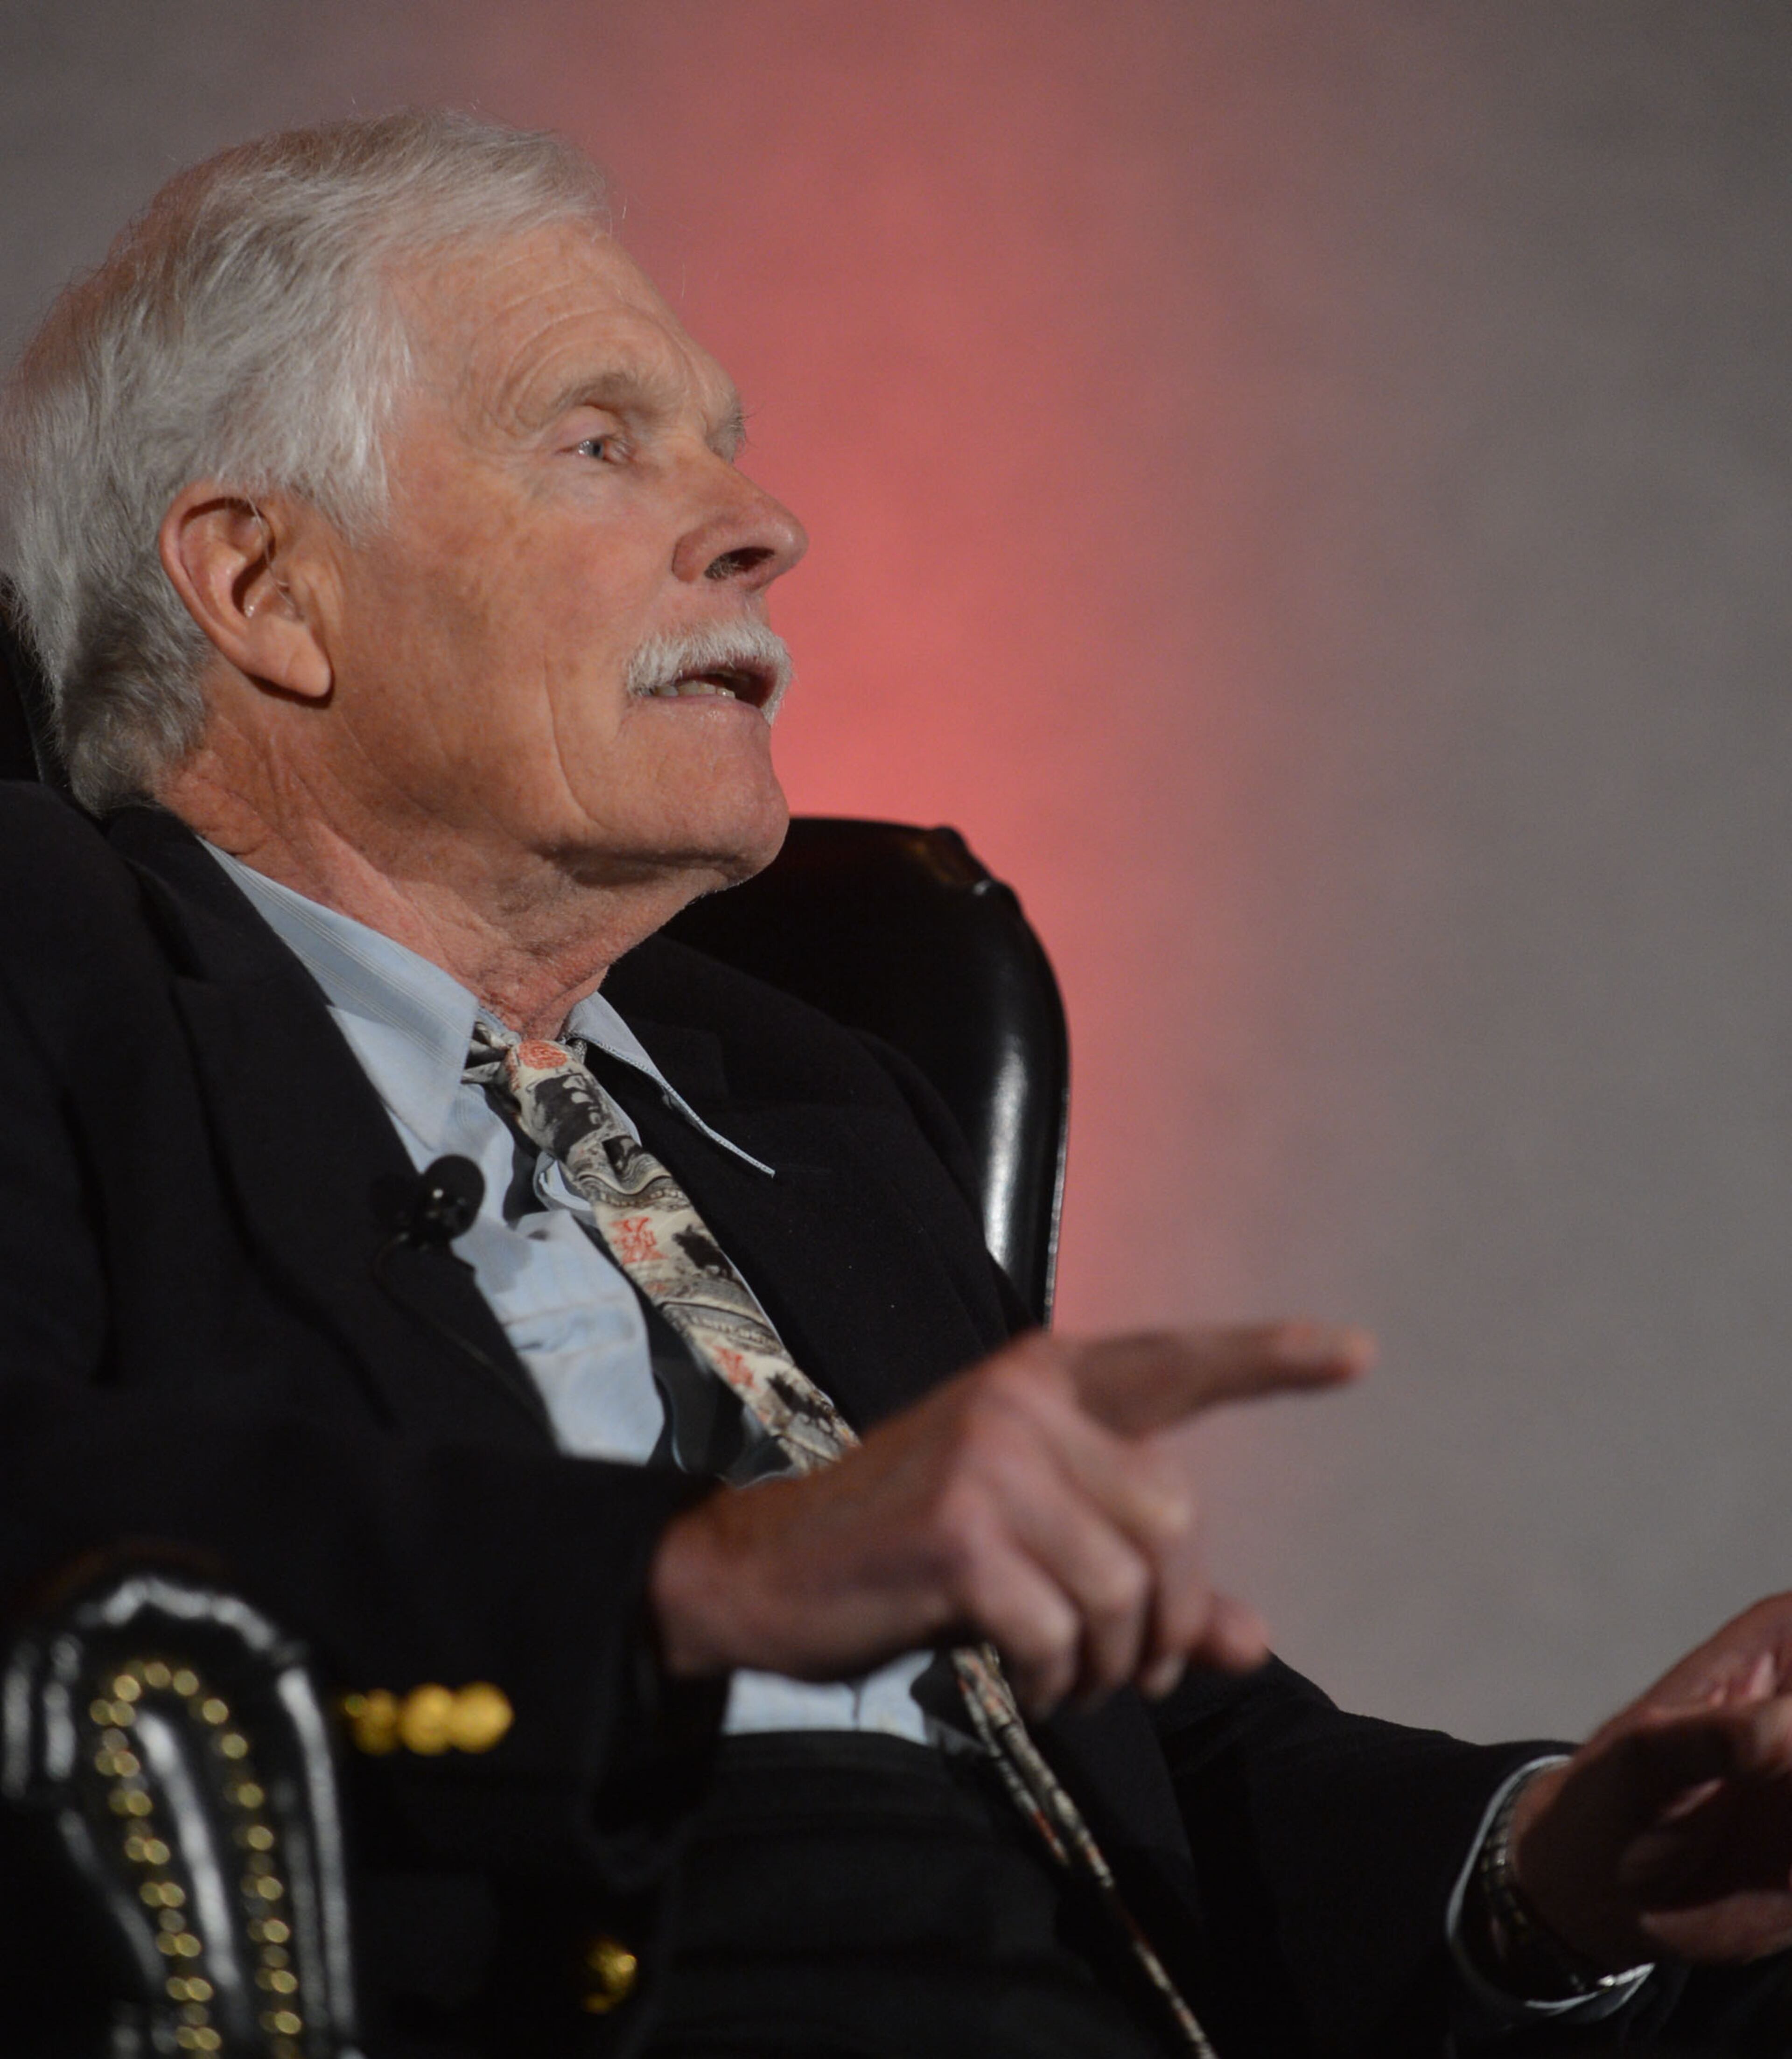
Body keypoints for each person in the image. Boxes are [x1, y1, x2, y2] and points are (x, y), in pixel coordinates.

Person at [1, 110, 1790, 2059]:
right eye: (601, 441)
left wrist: (1552, 1868)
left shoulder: (814, 1099)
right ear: (266, 589)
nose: (763, 520)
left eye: (724, 436)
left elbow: (1148, 1771)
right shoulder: (58, 964)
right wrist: (692, 1581)